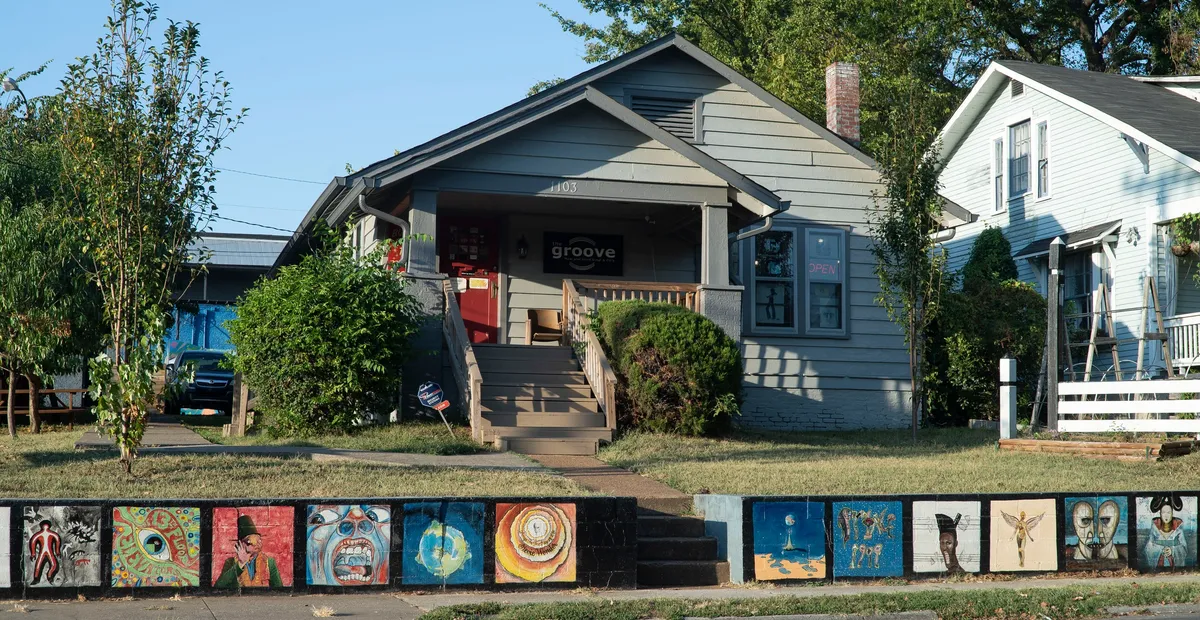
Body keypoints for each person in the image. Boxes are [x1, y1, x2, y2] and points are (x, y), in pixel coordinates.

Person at [216, 515, 282, 588]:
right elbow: (219, 586)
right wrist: (240, 564)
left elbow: (279, 589)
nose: (256, 545)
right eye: (251, 541)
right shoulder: (230, 562)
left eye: (258, 540)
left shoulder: (269, 562)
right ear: (241, 544)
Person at [1144, 495, 1188, 568]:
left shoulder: (1178, 529)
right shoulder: (1155, 528)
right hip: (1159, 565)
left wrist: (1172, 551)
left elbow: (1184, 548)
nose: (1166, 515)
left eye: (1168, 512)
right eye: (1163, 512)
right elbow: (1148, 548)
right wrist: (1160, 550)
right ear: (1160, 514)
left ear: (1172, 514)